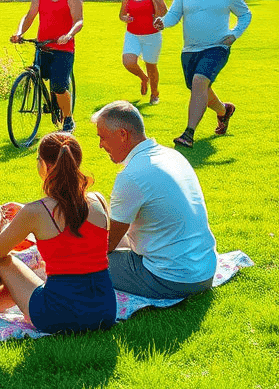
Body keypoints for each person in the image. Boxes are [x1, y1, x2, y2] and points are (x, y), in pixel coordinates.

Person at [0, 132, 116, 337]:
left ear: (45, 166)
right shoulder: (98, 201)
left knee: (1, 257)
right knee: (18, 281)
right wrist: (25, 212)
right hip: (104, 312)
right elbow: (72, 218)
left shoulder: (36, 212)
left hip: (59, 315)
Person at [92, 101, 217, 299]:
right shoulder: (172, 155)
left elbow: (107, 245)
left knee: (81, 265)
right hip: (204, 270)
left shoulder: (131, 176)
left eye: (103, 137)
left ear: (122, 135)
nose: (100, 145)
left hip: (172, 279)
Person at [153, 0, 252, 149]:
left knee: (199, 81)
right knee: (200, 87)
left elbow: (245, 14)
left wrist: (234, 34)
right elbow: (174, 16)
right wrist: (163, 22)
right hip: (189, 50)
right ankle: (224, 111)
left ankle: (188, 134)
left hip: (217, 47)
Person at [11, 0, 83, 133]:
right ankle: (52, 101)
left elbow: (79, 20)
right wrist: (19, 32)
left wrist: (69, 35)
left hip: (63, 48)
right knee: (37, 74)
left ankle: (68, 119)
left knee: (59, 85)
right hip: (43, 46)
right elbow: (29, 16)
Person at [119, 0, 167, 104]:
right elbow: (121, 15)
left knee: (151, 65)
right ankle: (144, 78)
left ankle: (155, 94)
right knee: (128, 62)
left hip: (151, 35)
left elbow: (164, 12)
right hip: (132, 34)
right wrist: (125, 18)